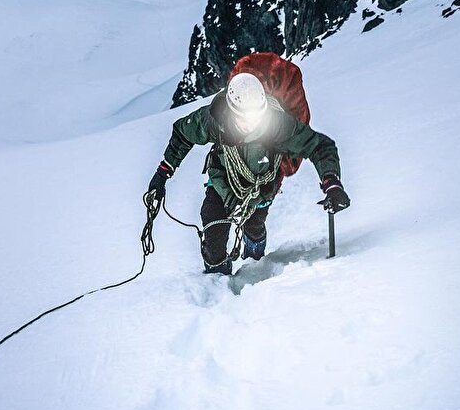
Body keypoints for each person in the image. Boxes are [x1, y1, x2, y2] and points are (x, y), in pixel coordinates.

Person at [148, 70, 350, 275]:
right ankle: (217, 279)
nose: (250, 124)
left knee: (254, 227)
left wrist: (331, 182)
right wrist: (163, 173)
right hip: (223, 180)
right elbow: (183, 133)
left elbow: (319, 146)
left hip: (262, 185)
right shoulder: (213, 120)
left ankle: (255, 267)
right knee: (214, 233)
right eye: (243, 119)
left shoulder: (276, 126)